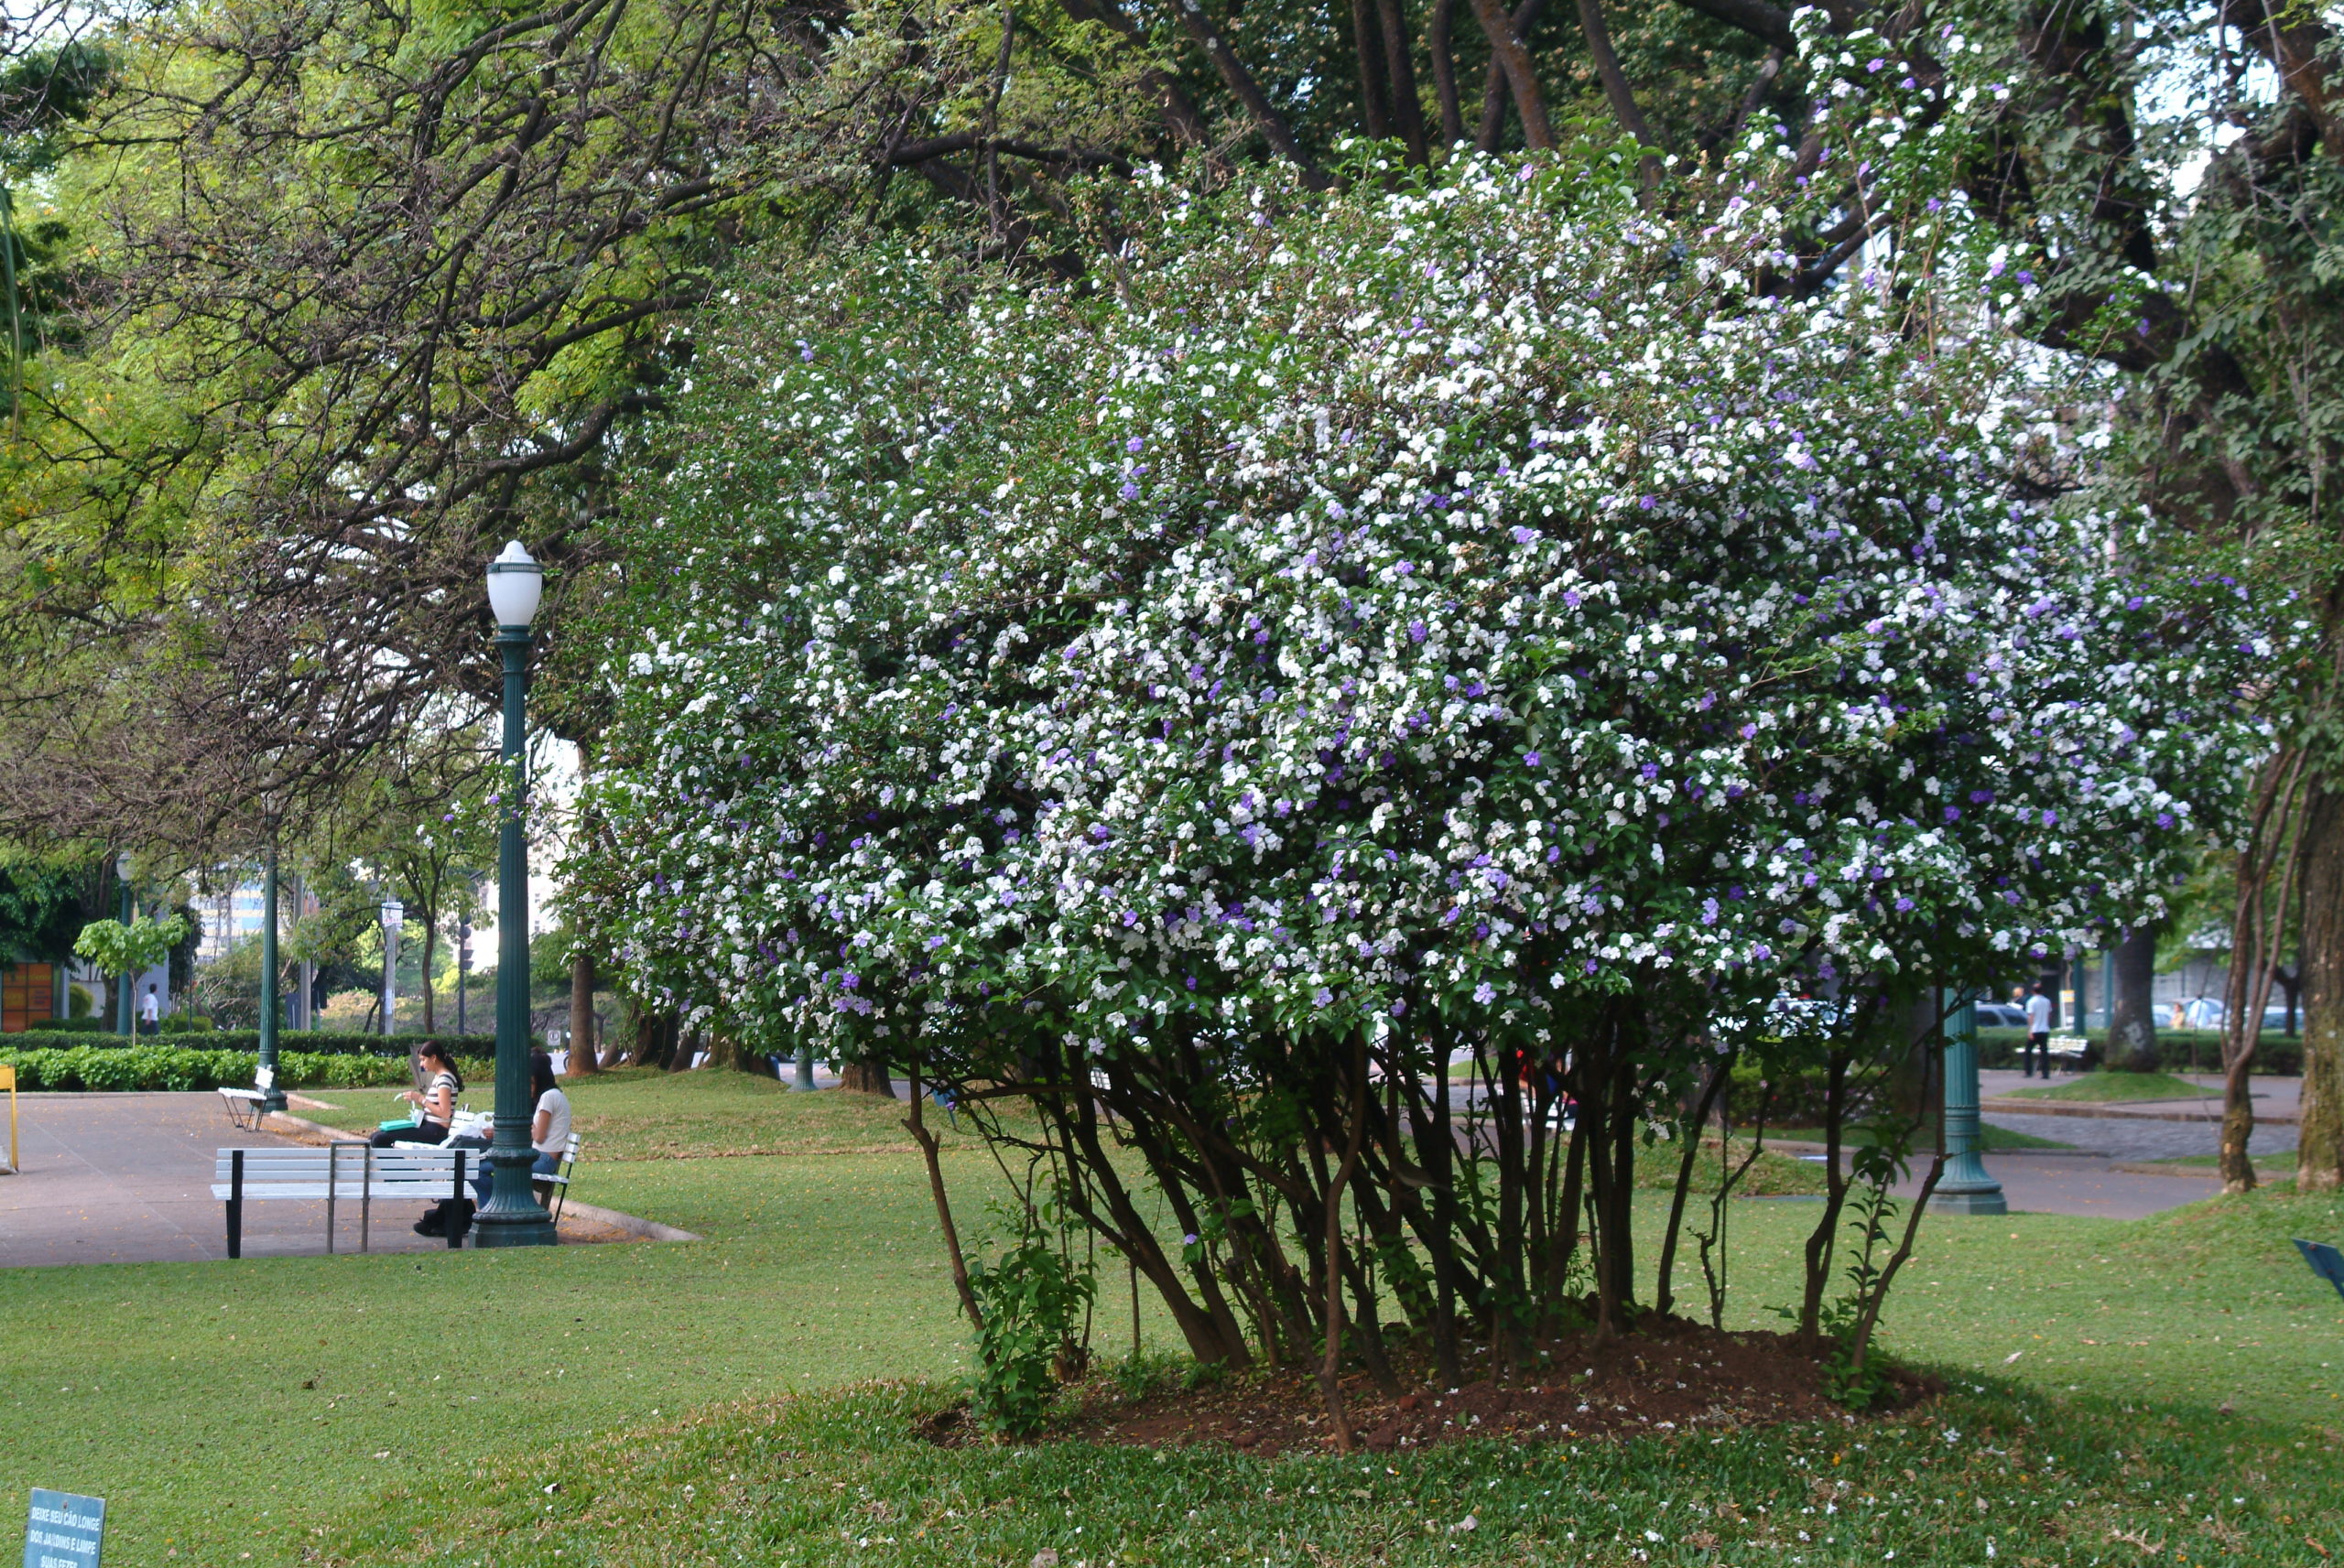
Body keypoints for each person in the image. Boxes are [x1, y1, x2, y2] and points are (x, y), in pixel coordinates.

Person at [374, 1041, 461, 1148]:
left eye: (423, 1060)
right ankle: (399, 1165)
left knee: (379, 1139)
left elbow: (445, 1113)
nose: (421, 1064)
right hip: (429, 1127)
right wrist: (417, 1100)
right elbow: (435, 1107)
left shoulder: (445, 1079)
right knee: (376, 1136)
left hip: (436, 1131)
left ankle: (401, 1165)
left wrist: (420, 1099)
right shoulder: (439, 1077)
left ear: (434, 1058)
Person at [2023, 981, 2055, 1079]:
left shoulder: (2031, 1002)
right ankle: (2045, 1073)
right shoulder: (2047, 1001)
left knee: (2028, 1051)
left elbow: (2031, 1016)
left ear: (2033, 991)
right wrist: (2046, 1024)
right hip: (2044, 1029)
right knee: (2044, 1052)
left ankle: (2028, 1072)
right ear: (2042, 991)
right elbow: (2049, 1015)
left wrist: (2030, 1030)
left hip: (2035, 1030)